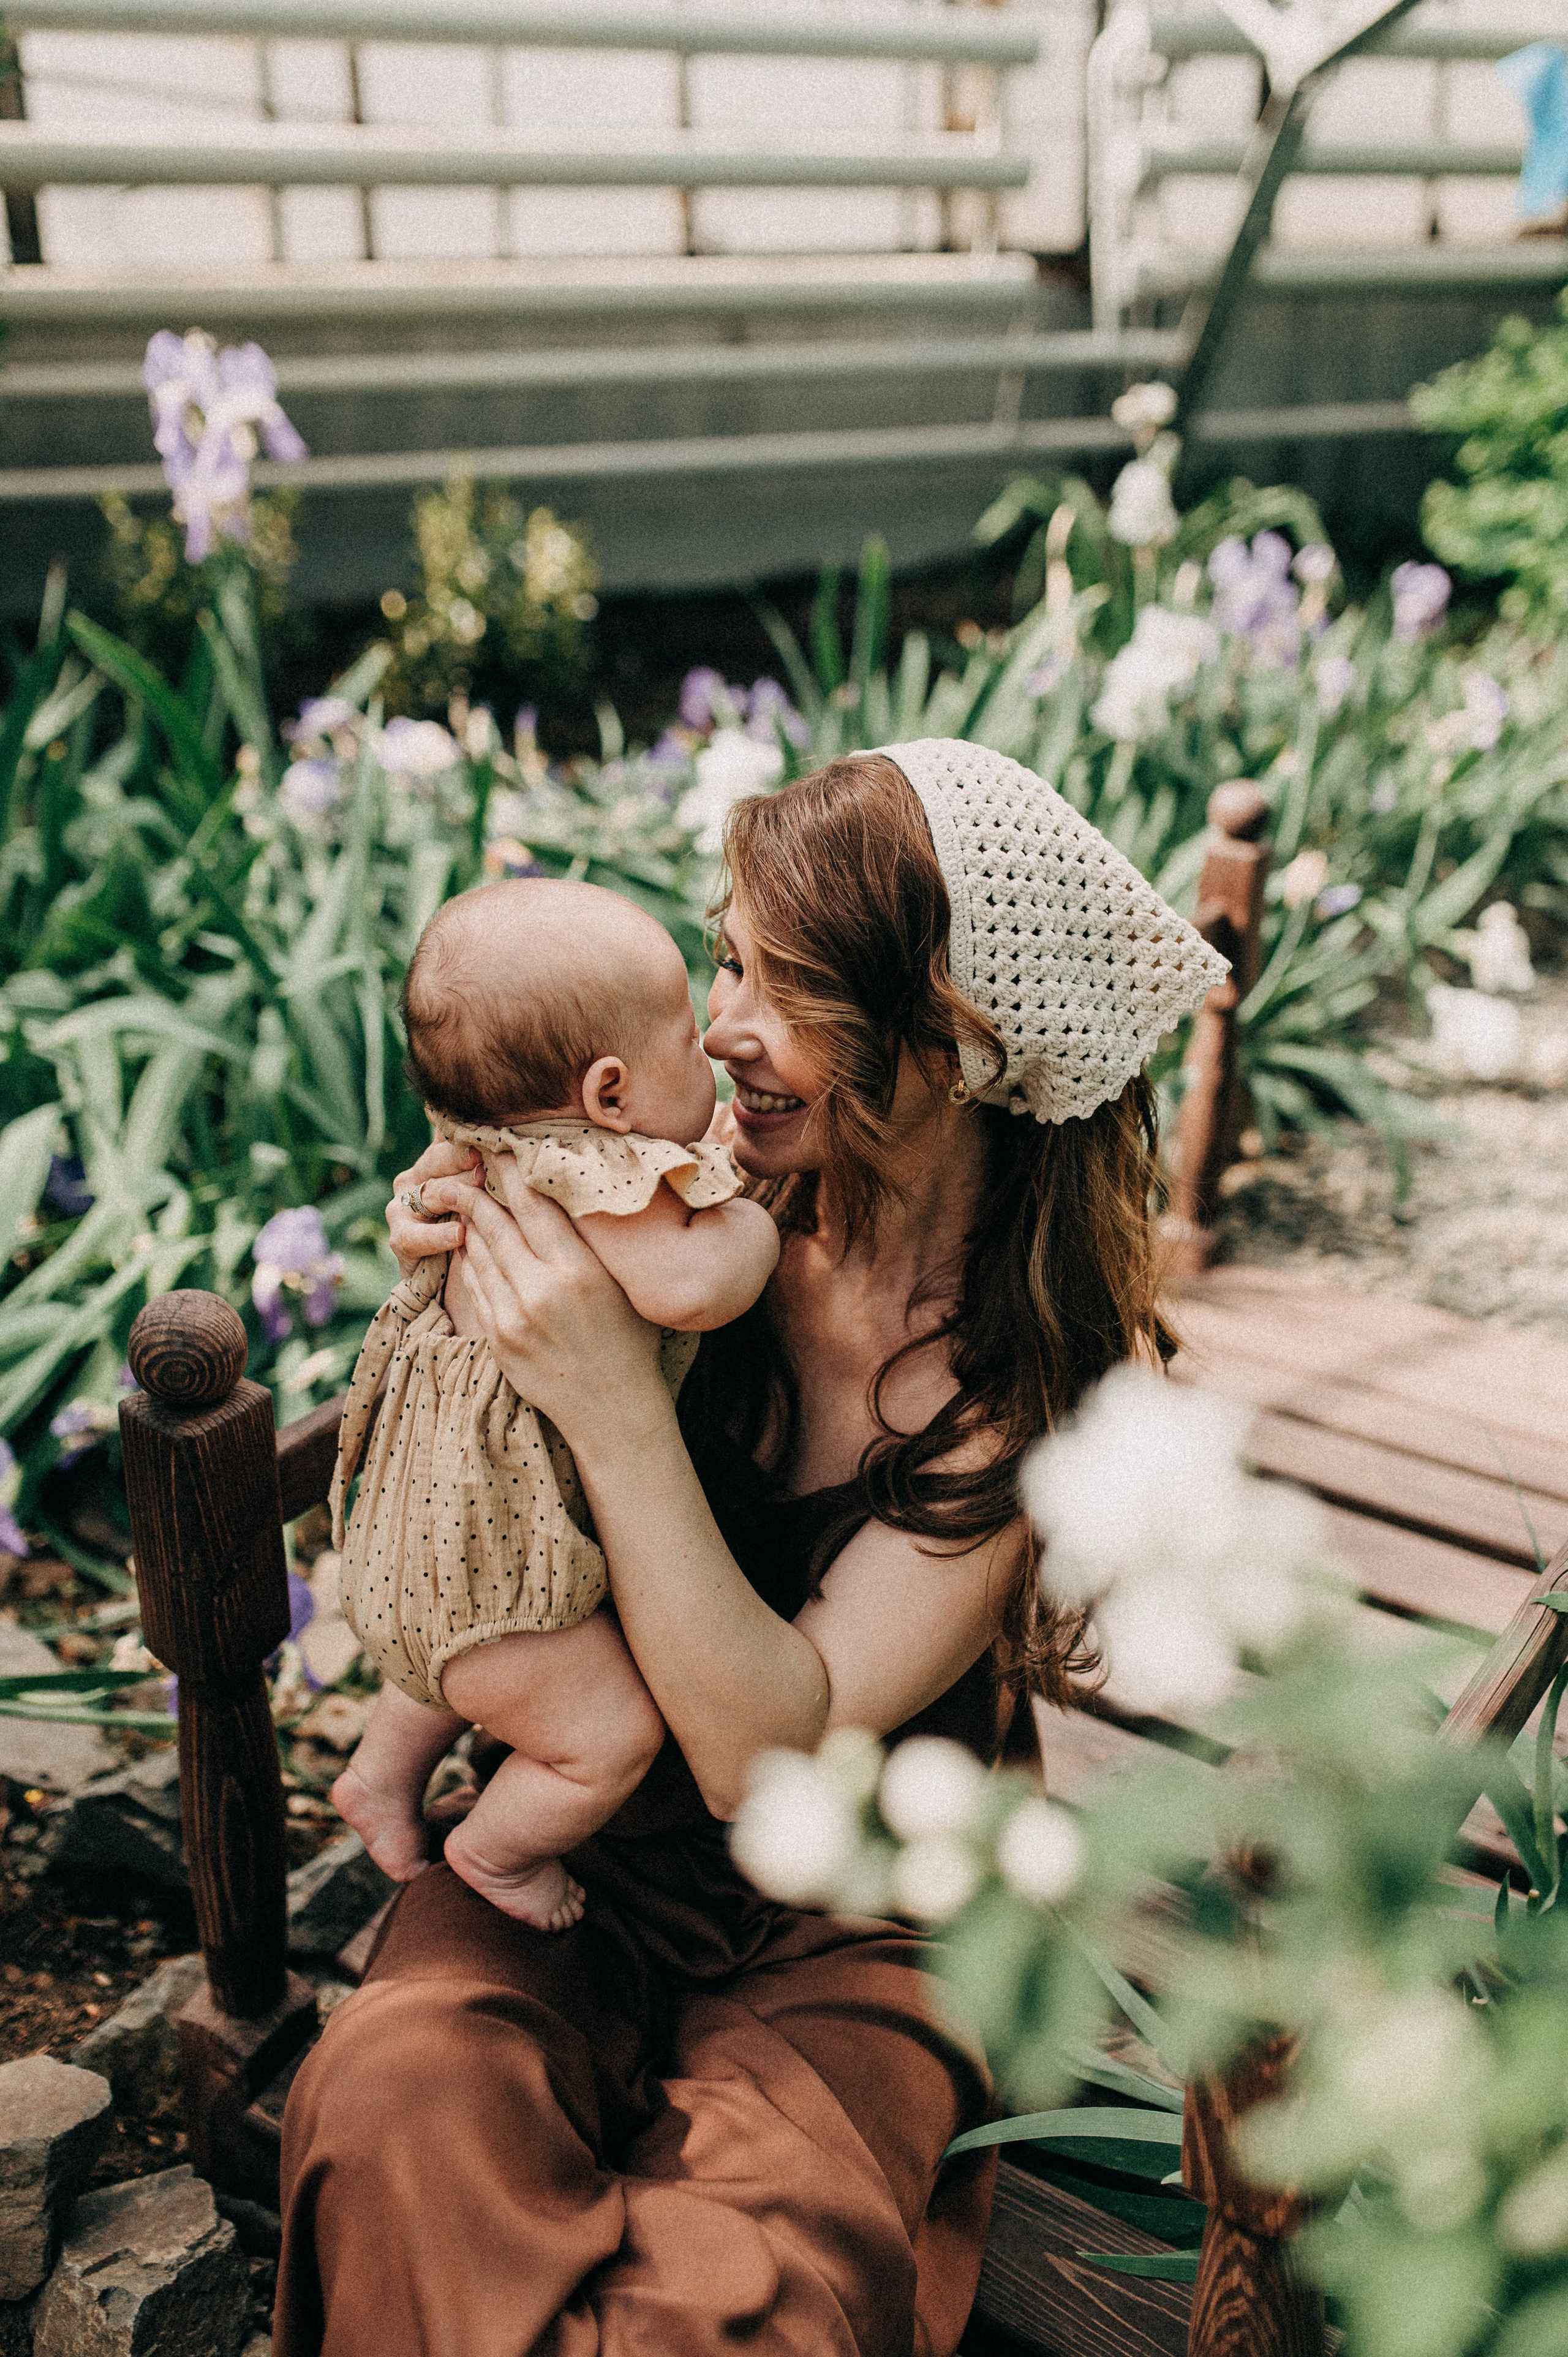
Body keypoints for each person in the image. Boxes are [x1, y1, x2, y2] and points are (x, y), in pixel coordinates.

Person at [275, 740, 1227, 2357]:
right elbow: (505, 1174)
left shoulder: (1015, 1389)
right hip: (579, 1823)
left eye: (784, 990)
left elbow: (756, 1760)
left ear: (952, 1040)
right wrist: (450, 1213)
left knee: (741, 2302)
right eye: (724, 956)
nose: (721, 1028)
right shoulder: (699, 1198)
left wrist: (615, 1409)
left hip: (857, 1900)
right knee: (386, 2111)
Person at [328, 879, 779, 1931]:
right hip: (501, 1549)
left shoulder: (484, 1145)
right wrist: (747, 1211)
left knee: (462, 1657)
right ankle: (493, 1850)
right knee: (607, 1732)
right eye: (687, 1032)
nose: (710, 1045)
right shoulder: (597, 1173)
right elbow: (693, 1288)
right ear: (611, 1091)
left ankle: (378, 1779)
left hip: (418, 1537)